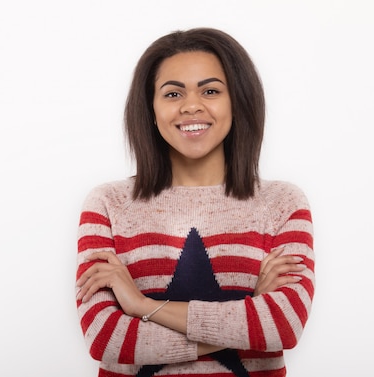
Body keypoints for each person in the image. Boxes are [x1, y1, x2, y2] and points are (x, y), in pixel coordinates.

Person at [75, 27, 315, 377]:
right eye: (173, 93)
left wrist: (142, 306)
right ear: (151, 109)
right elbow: (108, 341)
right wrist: (247, 314)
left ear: (238, 101)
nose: (191, 106)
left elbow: (283, 325)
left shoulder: (282, 203)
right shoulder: (108, 203)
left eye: (211, 90)